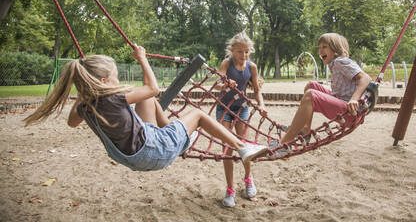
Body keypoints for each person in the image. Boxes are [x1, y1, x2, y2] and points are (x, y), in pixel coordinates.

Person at [24, 45, 268, 174]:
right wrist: (142, 58)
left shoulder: (86, 106)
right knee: (198, 114)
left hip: (137, 156)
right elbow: (152, 87)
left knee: (147, 102)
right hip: (155, 151)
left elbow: (71, 123)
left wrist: (84, 94)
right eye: (115, 78)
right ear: (103, 82)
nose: (118, 82)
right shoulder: (116, 97)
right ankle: (242, 147)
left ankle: (179, 136)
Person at [270, 33, 371, 156]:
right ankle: (305, 131)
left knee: (311, 95)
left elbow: (365, 78)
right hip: (343, 104)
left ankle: (285, 143)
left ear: (335, 49)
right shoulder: (335, 64)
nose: (320, 50)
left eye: (324, 47)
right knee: (311, 85)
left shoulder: (340, 61)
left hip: (350, 112)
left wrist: (354, 99)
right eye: (319, 47)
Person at [215, 32, 266, 208]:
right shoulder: (226, 63)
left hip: (242, 109)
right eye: (239, 52)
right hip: (224, 109)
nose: (243, 56)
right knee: (227, 149)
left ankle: (248, 179)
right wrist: (225, 83)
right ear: (232, 50)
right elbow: (217, 84)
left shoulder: (251, 67)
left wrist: (261, 105)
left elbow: (257, 90)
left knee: (245, 147)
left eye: (246, 52)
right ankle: (230, 189)